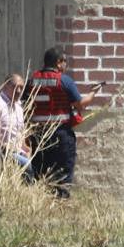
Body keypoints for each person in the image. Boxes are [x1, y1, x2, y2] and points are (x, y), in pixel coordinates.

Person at [27, 47, 89, 197]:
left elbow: (26, 103)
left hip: (38, 134)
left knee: (40, 172)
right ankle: (60, 204)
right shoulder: (64, 81)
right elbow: (80, 104)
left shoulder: (32, 80)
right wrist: (93, 94)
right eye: (65, 61)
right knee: (62, 174)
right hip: (60, 135)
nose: (65, 65)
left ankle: (41, 202)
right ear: (58, 62)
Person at [0, 72, 31, 169]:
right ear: (5, 86)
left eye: (21, 87)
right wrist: (1, 146)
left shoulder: (19, 106)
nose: (19, 91)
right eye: (15, 87)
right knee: (27, 165)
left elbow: (19, 132)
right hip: (0, 154)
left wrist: (27, 149)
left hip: (19, 153)